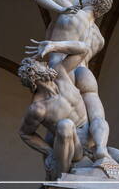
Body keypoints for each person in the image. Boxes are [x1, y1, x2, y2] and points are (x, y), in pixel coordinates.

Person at [26, 0, 113, 160]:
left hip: (62, 68)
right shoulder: (100, 38)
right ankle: (101, 148)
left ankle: (65, 163)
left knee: (59, 125)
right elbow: (85, 50)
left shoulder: (71, 13)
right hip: (84, 71)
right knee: (97, 115)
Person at [19, 40, 95, 180]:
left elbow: (84, 49)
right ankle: (62, 176)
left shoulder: (59, 72)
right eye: (40, 64)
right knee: (65, 125)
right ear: (33, 73)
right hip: (74, 147)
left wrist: (54, 45)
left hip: (91, 138)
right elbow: (25, 133)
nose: (44, 63)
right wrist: (49, 152)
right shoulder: (38, 108)